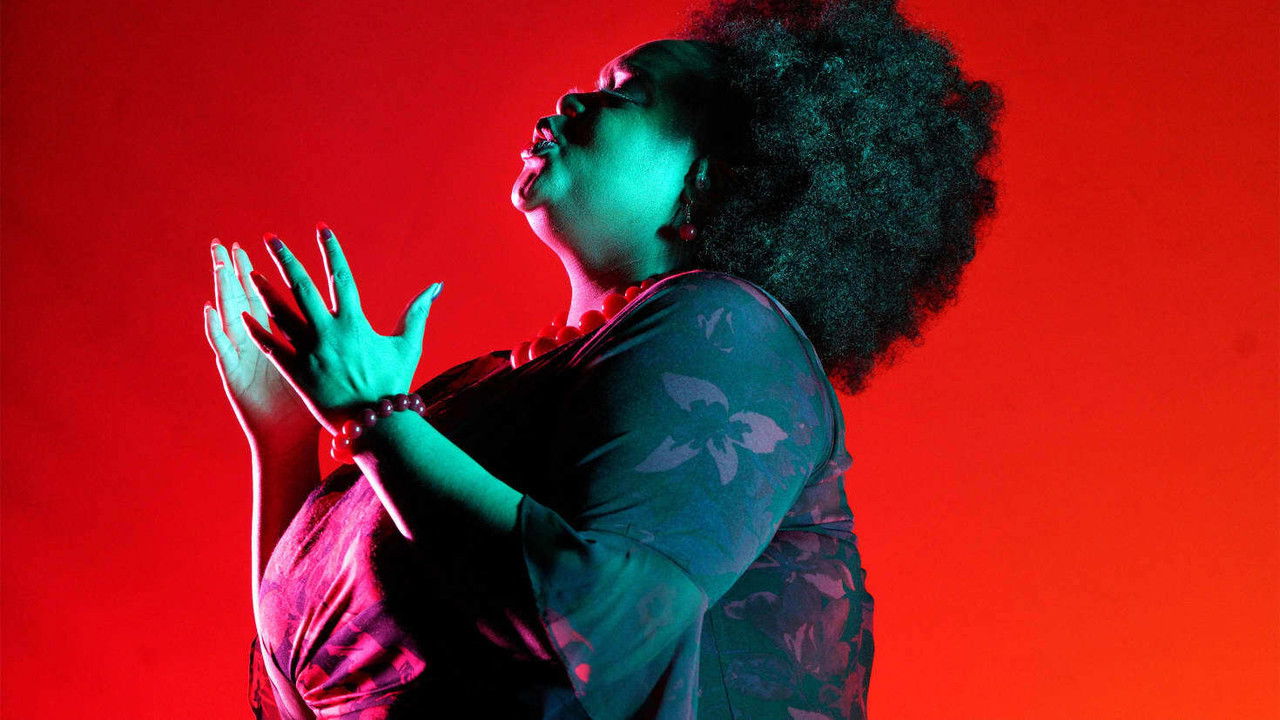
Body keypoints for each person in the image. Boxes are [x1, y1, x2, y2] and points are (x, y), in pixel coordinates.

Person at [203, 1, 1002, 718]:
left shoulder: (730, 330)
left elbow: (601, 629)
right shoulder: (480, 391)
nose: (571, 100)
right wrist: (283, 440)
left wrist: (376, 421)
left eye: (628, 93)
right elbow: (305, 680)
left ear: (706, 184)